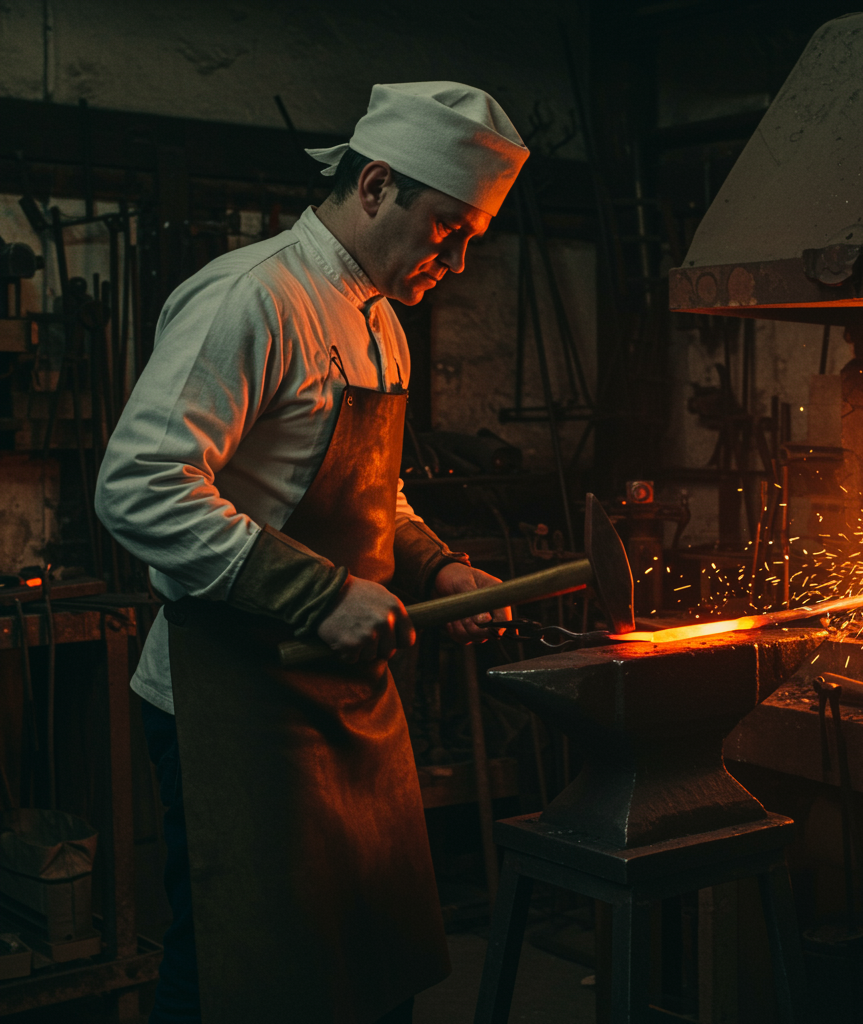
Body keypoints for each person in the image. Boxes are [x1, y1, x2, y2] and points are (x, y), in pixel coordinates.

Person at [96, 81, 528, 1024]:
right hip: (234, 697)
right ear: (376, 185)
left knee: (366, 962)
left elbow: (380, 495)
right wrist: (320, 593)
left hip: (347, 693)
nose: (453, 263)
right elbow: (139, 484)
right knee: (237, 977)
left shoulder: (383, 323)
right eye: (446, 230)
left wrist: (436, 565)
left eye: (470, 242)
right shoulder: (254, 297)